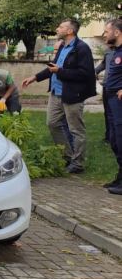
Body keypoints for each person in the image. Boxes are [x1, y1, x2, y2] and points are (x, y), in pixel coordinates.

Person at [22, 18, 97, 174]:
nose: (57, 29)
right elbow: (52, 68)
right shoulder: (62, 46)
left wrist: (60, 71)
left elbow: (86, 74)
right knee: (52, 123)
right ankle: (68, 156)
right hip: (56, 93)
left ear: (70, 31)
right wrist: (34, 78)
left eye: (61, 27)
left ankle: (78, 164)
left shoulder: (81, 49)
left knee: (76, 130)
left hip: (72, 95)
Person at [100, 18, 122, 194]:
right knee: (114, 139)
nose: (104, 34)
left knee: (120, 139)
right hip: (110, 98)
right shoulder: (115, 52)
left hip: (119, 99)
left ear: (116, 32)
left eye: (107, 31)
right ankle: (120, 178)